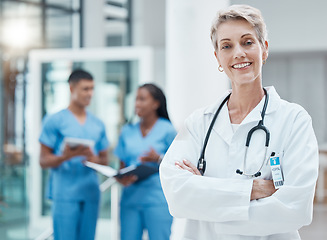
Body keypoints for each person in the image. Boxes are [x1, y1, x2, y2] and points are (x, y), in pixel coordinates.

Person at [159, 4, 319, 240]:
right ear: (218, 58)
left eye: (247, 42)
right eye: (227, 46)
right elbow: (176, 195)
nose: (238, 53)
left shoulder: (294, 120)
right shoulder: (198, 124)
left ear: (264, 49)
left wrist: (208, 205)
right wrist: (253, 190)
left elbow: (296, 209)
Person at [39, 69, 109, 240]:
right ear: (72, 89)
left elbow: (105, 160)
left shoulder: (98, 124)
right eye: (85, 89)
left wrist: (95, 160)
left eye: (92, 89)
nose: (90, 94)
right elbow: (43, 160)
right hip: (65, 193)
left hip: (90, 192)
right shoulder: (54, 121)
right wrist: (65, 156)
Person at [114, 83, 176, 240]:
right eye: (136, 99)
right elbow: (122, 166)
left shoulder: (167, 130)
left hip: (157, 200)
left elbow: (178, 164)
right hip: (130, 199)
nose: (137, 104)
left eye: (142, 99)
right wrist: (121, 177)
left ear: (156, 104)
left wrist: (158, 158)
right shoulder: (127, 131)